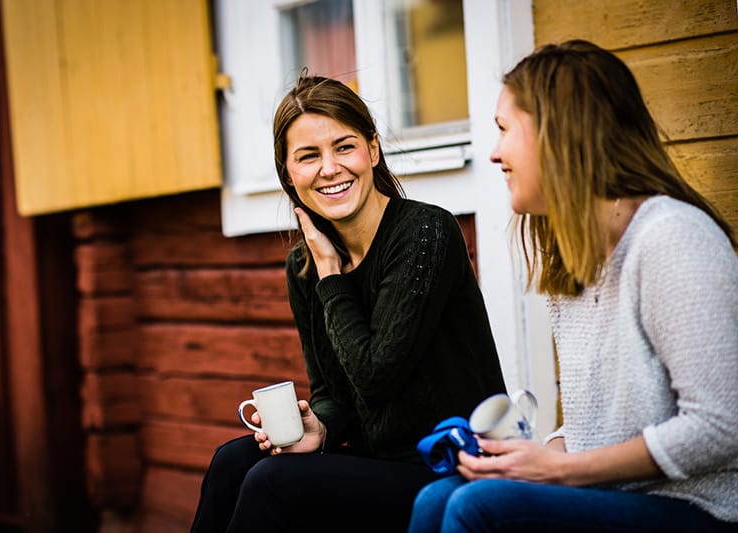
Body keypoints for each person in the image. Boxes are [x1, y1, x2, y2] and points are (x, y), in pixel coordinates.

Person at [408, 39, 738, 532]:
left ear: (558, 134)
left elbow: (722, 426)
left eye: (504, 131)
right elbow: (592, 425)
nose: (495, 154)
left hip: (698, 508)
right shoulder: (573, 254)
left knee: (476, 509)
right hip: (611, 496)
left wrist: (560, 470)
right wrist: (532, 458)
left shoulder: (672, 238)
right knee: (440, 498)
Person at [190, 73, 506, 532]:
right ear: (288, 173)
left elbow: (376, 376)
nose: (330, 168)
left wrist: (332, 277)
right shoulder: (305, 264)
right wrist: (321, 428)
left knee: (274, 482)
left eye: (344, 147)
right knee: (232, 460)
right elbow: (332, 393)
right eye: (308, 156)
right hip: (373, 461)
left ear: (372, 151)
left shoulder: (425, 233)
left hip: (450, 465)